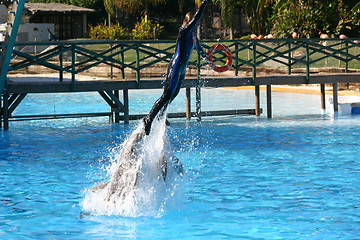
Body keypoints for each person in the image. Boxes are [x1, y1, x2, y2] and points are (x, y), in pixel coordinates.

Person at [143, 0, 208, 135]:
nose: (198, 23)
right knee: (166, 95)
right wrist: (204, 3)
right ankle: (149, 119)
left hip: (182, 71)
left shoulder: (194, 36)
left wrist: (208, 59)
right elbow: (197, 16)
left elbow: (200, 50)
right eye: (195, 21)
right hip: (176, 67)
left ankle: (162, 115)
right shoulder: (184, 31)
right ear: (189, 22)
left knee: (173, 95)